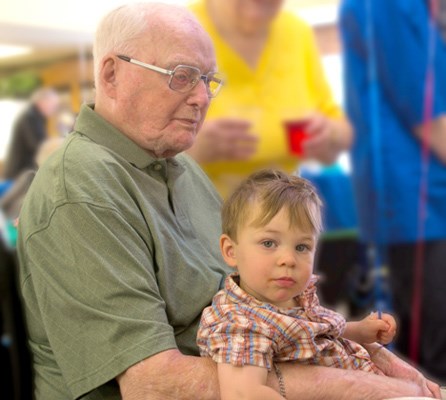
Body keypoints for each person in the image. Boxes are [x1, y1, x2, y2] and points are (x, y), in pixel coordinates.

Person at [17, 2, 440, 399]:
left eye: (207, 80)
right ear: (111, 75)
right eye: (182, 75)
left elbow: (256, 309)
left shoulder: (180, 168)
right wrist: (350, 386)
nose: (202, 98)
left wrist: (373, 362)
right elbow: (152, 383)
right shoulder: (80, 189)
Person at [197, 169, 409, 400]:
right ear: (231, 251)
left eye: (302, 247)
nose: (288, 259)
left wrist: (359, 330)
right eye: (269, 243)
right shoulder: (241, 324)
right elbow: (244, 393)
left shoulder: (294, 297)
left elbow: (314, 333)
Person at [339, 0, 446, 383]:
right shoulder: (385, 6)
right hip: (415, 198)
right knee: (434, 349)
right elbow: (428, 113)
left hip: (424, 193)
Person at [187, 0, 353, 199]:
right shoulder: (183, 31)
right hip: (201, 213)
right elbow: (147, 146)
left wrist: (329, 135)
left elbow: (339, 126)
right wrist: (190, 150)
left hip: (285, 211)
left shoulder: (295, 32)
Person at [2, 87, 60, 180]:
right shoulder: (30, 117)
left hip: (23, 172)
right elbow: (38, 147)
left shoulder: (35, 116)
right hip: (19, 173)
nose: (54, 109)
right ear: (42, 102)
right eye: (53, 105)